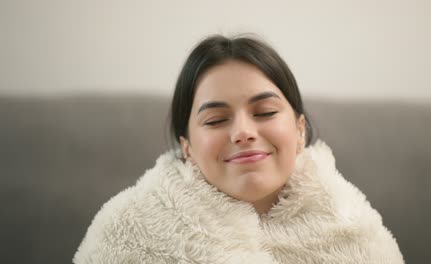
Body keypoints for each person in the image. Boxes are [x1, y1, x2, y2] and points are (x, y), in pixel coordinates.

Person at [74, 35, 405, 263]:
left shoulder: (358, 236)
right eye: (217, 119)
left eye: (265, 113)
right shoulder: (126, 238)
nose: (243, 132)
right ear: (186, 146)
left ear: (299, 128)